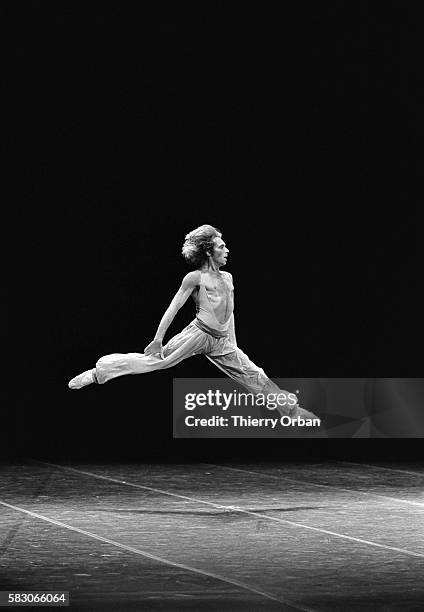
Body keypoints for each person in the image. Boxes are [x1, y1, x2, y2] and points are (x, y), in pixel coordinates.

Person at [68, 224, 319, 422]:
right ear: (209, 251)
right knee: (157, 362)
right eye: (221, 246)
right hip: (197, 334)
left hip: (221, 341)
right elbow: (174, 307)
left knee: (256, 374)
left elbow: (228, 312)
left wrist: (233, 344)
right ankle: (99, 372)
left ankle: (292, 412)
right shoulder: (195, 277)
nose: (227, 249)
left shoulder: (229, 277)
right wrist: (158, 339)